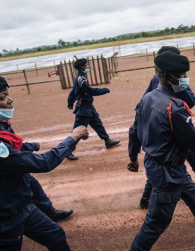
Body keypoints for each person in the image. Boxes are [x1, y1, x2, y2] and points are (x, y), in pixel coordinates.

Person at [128, 51, 195, 250]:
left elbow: (133, 130)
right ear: (168, 76)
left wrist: (133, 156)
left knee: (194, 196)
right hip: (167, 173)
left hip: (166, 166)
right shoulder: (174, 109)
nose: (186, 79)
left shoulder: (147, 99)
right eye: (182, 75)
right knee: (154, 224)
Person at [0, 79, 89, 250]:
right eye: (3, 97)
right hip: (6, 218)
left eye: (8, 94)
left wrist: (31, 145)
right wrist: (73, 137)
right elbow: (44, 163)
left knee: (56, 236)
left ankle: (49, 211)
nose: (10, 100)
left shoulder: (3, 127)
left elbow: (13, 147)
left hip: (23, 206)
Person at [128, 46, 195, 209]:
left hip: (166, 121)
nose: (182, 73)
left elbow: (142, 103)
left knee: (179, 153)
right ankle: (146, 198)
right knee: (167, 156)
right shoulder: (170, 82)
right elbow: (191, 100)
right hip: (171, 121)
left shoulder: (158, 80)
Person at [66, 58, 120, 160]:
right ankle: (67, 151)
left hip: (89, 107)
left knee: (98, 124)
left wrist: (70, 103)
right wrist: (105, 90)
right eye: (86, 65)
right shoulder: (80, 79)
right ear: (81, 67)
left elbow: (73, 92)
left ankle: (107, 141)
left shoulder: (82, 77)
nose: (87, 67)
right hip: (83, 109)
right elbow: (91, 91)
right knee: (78, 131)